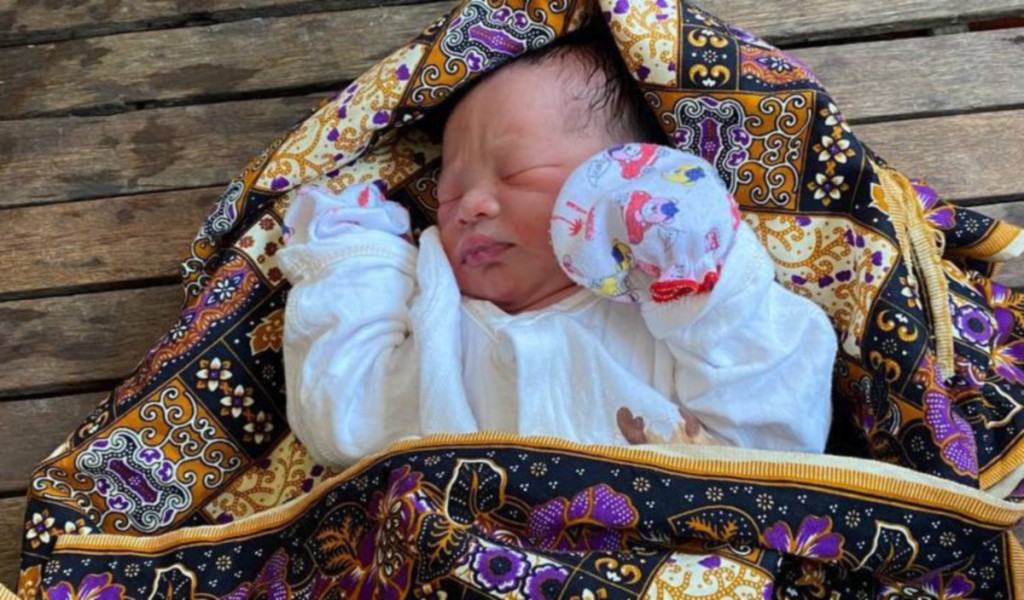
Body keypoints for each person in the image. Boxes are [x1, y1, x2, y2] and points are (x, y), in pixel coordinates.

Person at [277, 26, 837, 466]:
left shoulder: (667, 318)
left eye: (516, 173)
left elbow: (780, 433)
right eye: (447, 196)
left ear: (621, 180)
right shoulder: (440, 322)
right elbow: (342, 424)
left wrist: (694, 267)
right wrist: (354, 263)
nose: (469, 206)